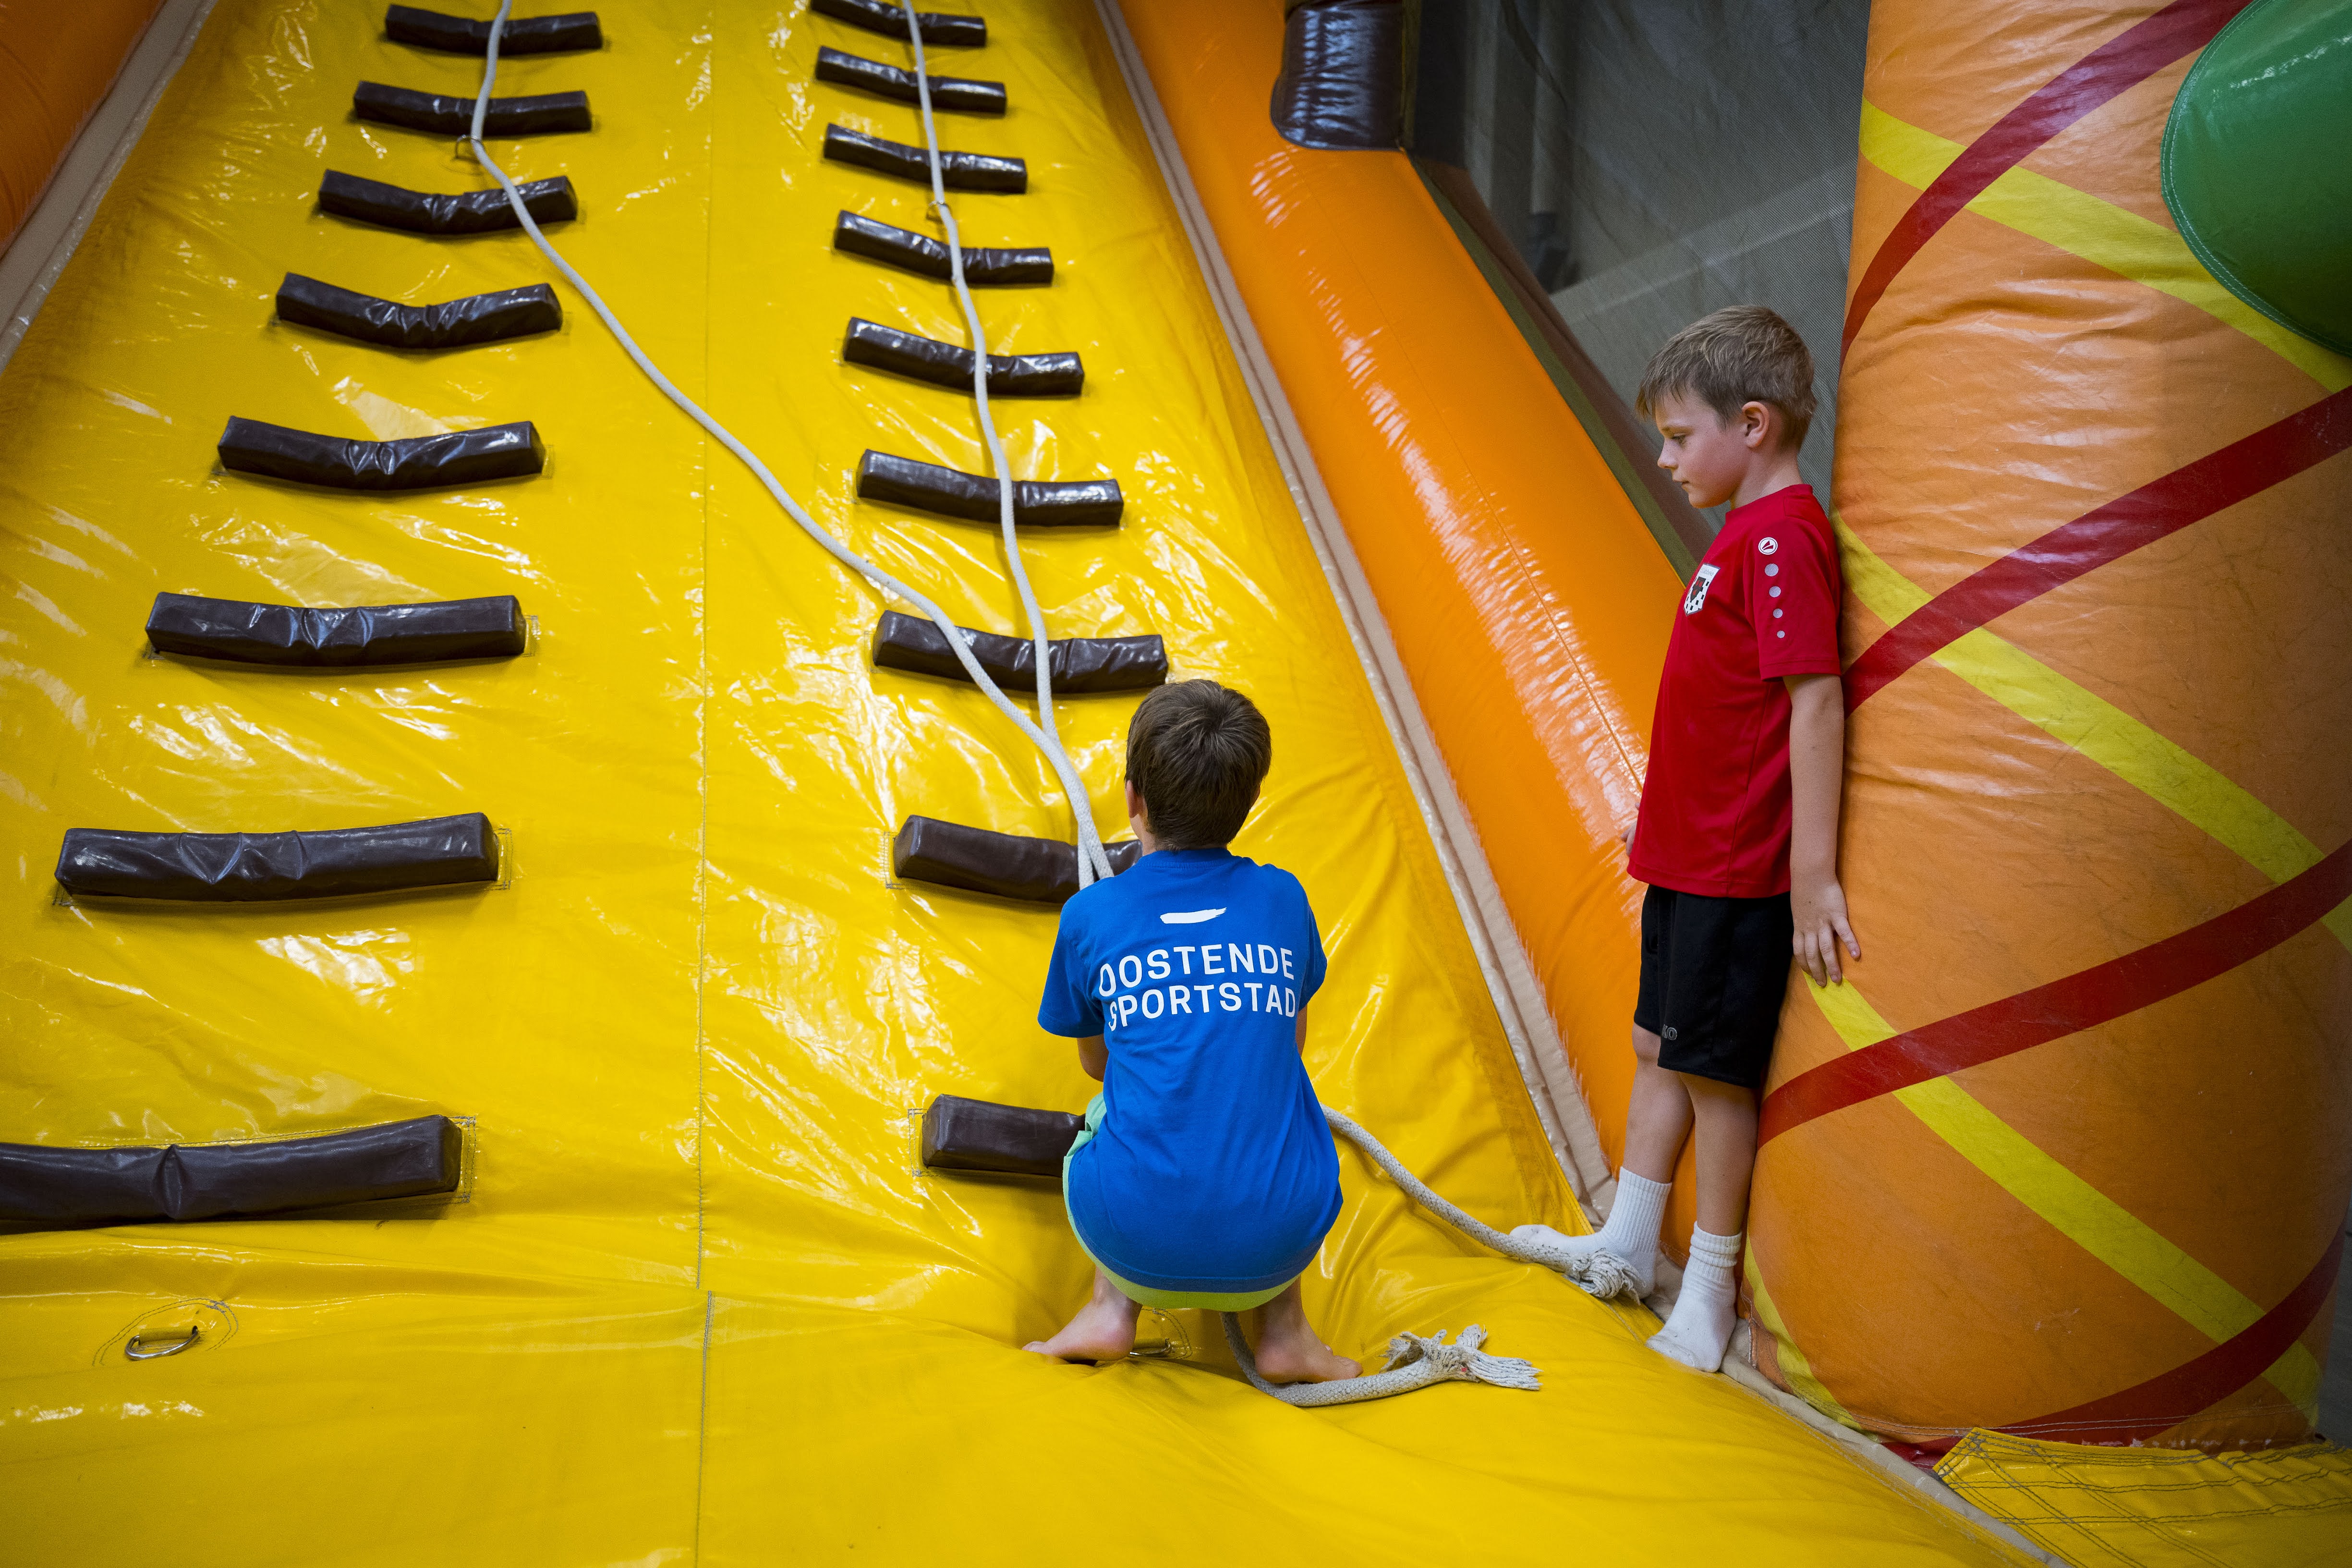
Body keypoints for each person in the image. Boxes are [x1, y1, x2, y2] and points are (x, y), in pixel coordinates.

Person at [1514, 305, 1860, 1373]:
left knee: (1715, 1074)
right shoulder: (1743, 538)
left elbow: (1815, 702)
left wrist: (1811, 879)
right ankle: (1629, 1236)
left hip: (1732, 868)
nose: (1664, 459)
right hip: (1684, 851)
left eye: (1678, 436)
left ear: (1751, 424)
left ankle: (1708, 1289)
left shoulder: (1784, 539)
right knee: (1658, 1046)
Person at [1025, 679, 1358, 1383]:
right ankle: (1288, 1331)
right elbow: (1288, 1046)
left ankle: (1109, 1307)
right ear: (1247, 803)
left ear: (1131, 799)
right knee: (1280, 1098)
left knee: (1110, 1108)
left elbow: (1096, 1064)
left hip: (1132, 1233)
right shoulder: (1283, 898)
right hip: (1278, 1238)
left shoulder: (1091, 914)